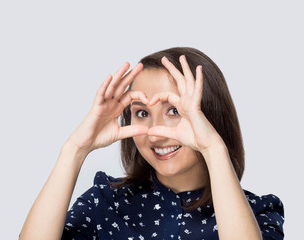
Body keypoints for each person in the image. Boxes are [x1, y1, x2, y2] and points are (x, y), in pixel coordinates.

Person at [19, 47, 284, 239]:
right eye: (142, 113)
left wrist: (214, 149)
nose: (155, 135)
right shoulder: (105, 201)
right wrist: (74, 149)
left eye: (174, 111)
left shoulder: (259, 212)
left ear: (209, 114)